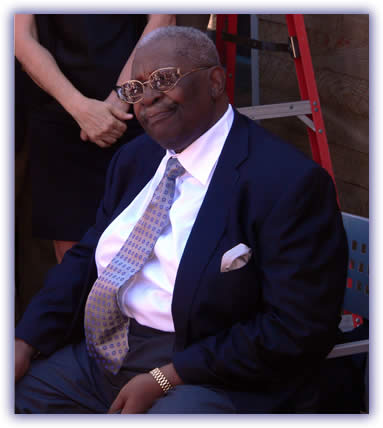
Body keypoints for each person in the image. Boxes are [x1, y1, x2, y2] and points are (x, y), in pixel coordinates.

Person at [15, 26, 348, 414]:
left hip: (217, 371)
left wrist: (169, 375)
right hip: (110, 352)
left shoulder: (287, 183)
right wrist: (26, 339)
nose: (149, 97)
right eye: (136, 89)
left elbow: (299, 327)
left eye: (164, 79)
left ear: (215, 81)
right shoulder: (135, 159)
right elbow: (88, 255)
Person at [15, 14, 176, 263]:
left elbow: (163, 19)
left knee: (145, 248)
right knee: (73, 257)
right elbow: (19, 36)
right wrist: (79, 107)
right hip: (60, 115)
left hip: (136, 108)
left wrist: (120, 100)